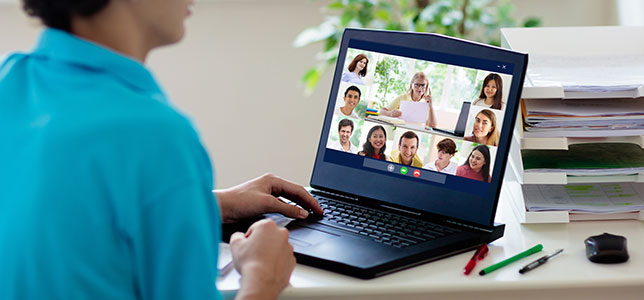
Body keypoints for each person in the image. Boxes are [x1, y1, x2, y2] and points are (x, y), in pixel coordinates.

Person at [0, 1, 324, 300]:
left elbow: (62, 221)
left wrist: (204, 204)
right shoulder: (156, 136)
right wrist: (262, 277)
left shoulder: (9, 79)